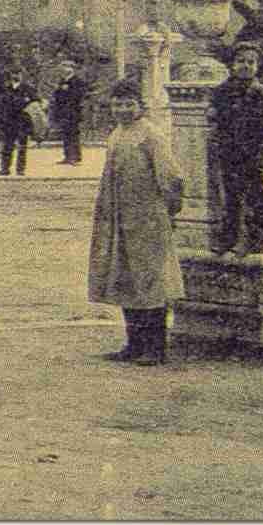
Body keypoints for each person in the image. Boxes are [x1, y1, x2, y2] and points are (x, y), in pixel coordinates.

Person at [87, 77, 185, 365]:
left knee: (150, 281)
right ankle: (134, 343)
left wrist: (169, 210)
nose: (123, 109)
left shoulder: (150, 135)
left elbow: (172, 177)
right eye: (118, 104)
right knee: (125, 279)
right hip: (120, 218)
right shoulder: (117, 134)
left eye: (129, 103)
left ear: (140, 106)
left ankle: (156, 347)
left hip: (148, 219)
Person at [208, 42, 263, 257]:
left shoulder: (260, 92)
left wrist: (261, 151)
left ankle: (255, 238)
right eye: (241, 61)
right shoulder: (222, 91)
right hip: (229, 152)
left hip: (252, 153)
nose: (246, 66)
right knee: (230, 197)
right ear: (231, 64)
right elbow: (216, 120)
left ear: (257, 66)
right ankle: (227, 240)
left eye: (251, 62)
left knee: (255, 195)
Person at [0, 66, 38, 177]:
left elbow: (34, 103)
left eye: (18, 73)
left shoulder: (28, 89)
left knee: (22, 147)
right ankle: (5, 168)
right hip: (9, 121)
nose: (16, 76)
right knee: (7, 146)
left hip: (22, 122)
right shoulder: (6, 89)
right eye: (13, 73)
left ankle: (20, 169)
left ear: (21, 75)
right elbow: (2, 104)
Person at [50, 60, 88, 165]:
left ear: (72, 69)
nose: (64, 69)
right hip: (62, 112)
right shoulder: (62, 81)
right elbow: (57, 96)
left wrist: (67, 92)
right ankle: (67, 156)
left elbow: (78, 96)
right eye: (63, 67)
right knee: (65, 135)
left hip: (73, 112)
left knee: (73, 135)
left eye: (67, 67)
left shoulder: (78, 81)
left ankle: (75, 157)